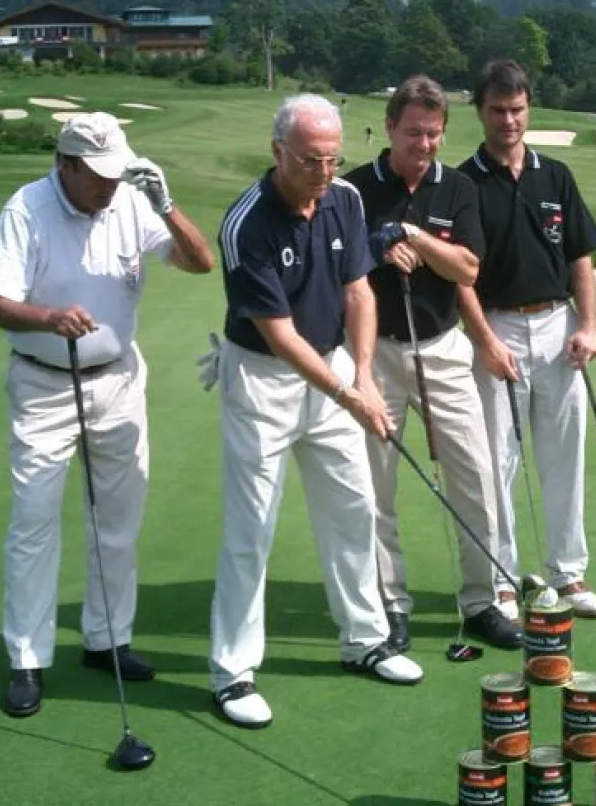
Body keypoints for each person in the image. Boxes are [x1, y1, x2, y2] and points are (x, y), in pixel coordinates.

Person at [0, 112, 214, 718]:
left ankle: (107, 639)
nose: (109, 185)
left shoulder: (132, 201)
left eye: (117, 172)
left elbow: (200, 262)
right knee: (34, 522)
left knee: (118, 519)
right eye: (97, 175)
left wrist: (166, 205)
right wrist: (49, 318)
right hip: (43, 385)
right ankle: (27, 658)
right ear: (66, 163)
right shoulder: (25, 210)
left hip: (117, 381)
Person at [206, 93, 423, 730]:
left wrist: (363, 373)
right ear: (278, 152)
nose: (324, 173)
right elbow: (280, 336)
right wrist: (351, 393)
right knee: (252, 530)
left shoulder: (346, 200)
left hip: (332, 367)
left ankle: (365, 640)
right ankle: (233, 672)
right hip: (263, 383)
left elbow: (359, 291)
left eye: (333, 159)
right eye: (310, 161)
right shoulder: (246, 224)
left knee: (353, 508)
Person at [344, 75, 523, 654]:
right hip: (373, 355)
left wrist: (415, 238)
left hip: (443, 350)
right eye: (414, 132)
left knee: (476, 475)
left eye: (435, 134)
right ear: (390, 127)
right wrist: (376, 245)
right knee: (375, 487)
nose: (424, 145)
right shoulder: (353, 190)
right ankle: (390, 605)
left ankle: (480, 602)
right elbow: (341, 269)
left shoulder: (458, 189)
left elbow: (467, 269)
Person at [457, 59, 596, 620]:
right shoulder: (462, 183)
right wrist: (486, 342)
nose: (508, 121)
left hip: (558, 325)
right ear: (481, 112)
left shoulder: (555, 175)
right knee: (496, 460)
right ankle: (500, 580)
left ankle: (569, 574)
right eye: (497, 110)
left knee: (564, 456)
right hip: (495, 328)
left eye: (517, 109)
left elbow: (580, 258)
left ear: (529, 108)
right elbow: (458, 277)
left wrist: (589, 326)